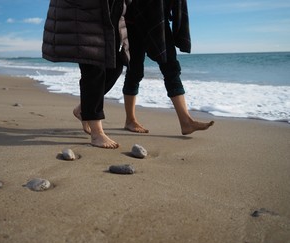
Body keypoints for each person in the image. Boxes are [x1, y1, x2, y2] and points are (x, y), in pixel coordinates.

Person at [42, 0, 131, 148]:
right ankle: (97, 133)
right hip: (83, 13)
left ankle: (84, 108)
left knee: (116, 67)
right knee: (94, 68)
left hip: (111, 14)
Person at [122, 0, 214, 135]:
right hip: (133, 22)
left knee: (171, 69)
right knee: (134, 71)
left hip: (159, 22)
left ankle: (185, 121)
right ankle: (130, 120)